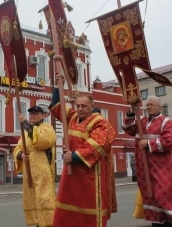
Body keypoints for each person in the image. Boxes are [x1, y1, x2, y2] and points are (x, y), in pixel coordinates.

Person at [49, 73, 116, 227]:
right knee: (69, 210)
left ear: (92, 107)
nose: (80, 109)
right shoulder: (72, 117)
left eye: (84, 106)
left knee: (88, 211)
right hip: (71, 173)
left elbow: (98, 143)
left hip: (91, 176)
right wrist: (59, 86)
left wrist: (74, 156)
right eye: (78, 105)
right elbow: (56, 107)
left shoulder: (99, 122)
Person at [123, 96, 172, 227]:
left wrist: (149, 143)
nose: (149, 107)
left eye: (152, 104)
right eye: (147, 105)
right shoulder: (142, 121)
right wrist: (131, 112)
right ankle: (156, 223)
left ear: (159, 107)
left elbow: (170, 141)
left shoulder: (166, 121)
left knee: (163, 196)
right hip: (144, 167)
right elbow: (128, 128)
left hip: (161, 167)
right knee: (151, 198)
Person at [13, 105, 57, 227]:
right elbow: (18, 148)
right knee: (35, 202)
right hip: (30, 173)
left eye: (36, 113)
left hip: (44, 173)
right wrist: (21, 155)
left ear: (43, 115)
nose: (33, 115)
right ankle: (39, 224)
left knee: (45, 201)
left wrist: (25, 123)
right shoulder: (25, 134)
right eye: (31, 113)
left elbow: (42, 142)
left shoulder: (47, 128)